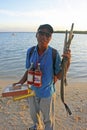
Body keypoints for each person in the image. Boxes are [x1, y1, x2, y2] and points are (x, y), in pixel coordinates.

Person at [13, 24, 71, 130]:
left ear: (50, 38)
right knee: (34, 115)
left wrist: (68, 62)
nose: (44, 37)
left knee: (48, 119)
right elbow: (28, 70)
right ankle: (37, 126)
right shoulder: (30, 51)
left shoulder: (54, 54)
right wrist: (20, 82)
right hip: (32, 91)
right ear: (36, 34)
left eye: (47, 35)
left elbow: (60, 75)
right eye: (41, 33)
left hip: (47, 93)